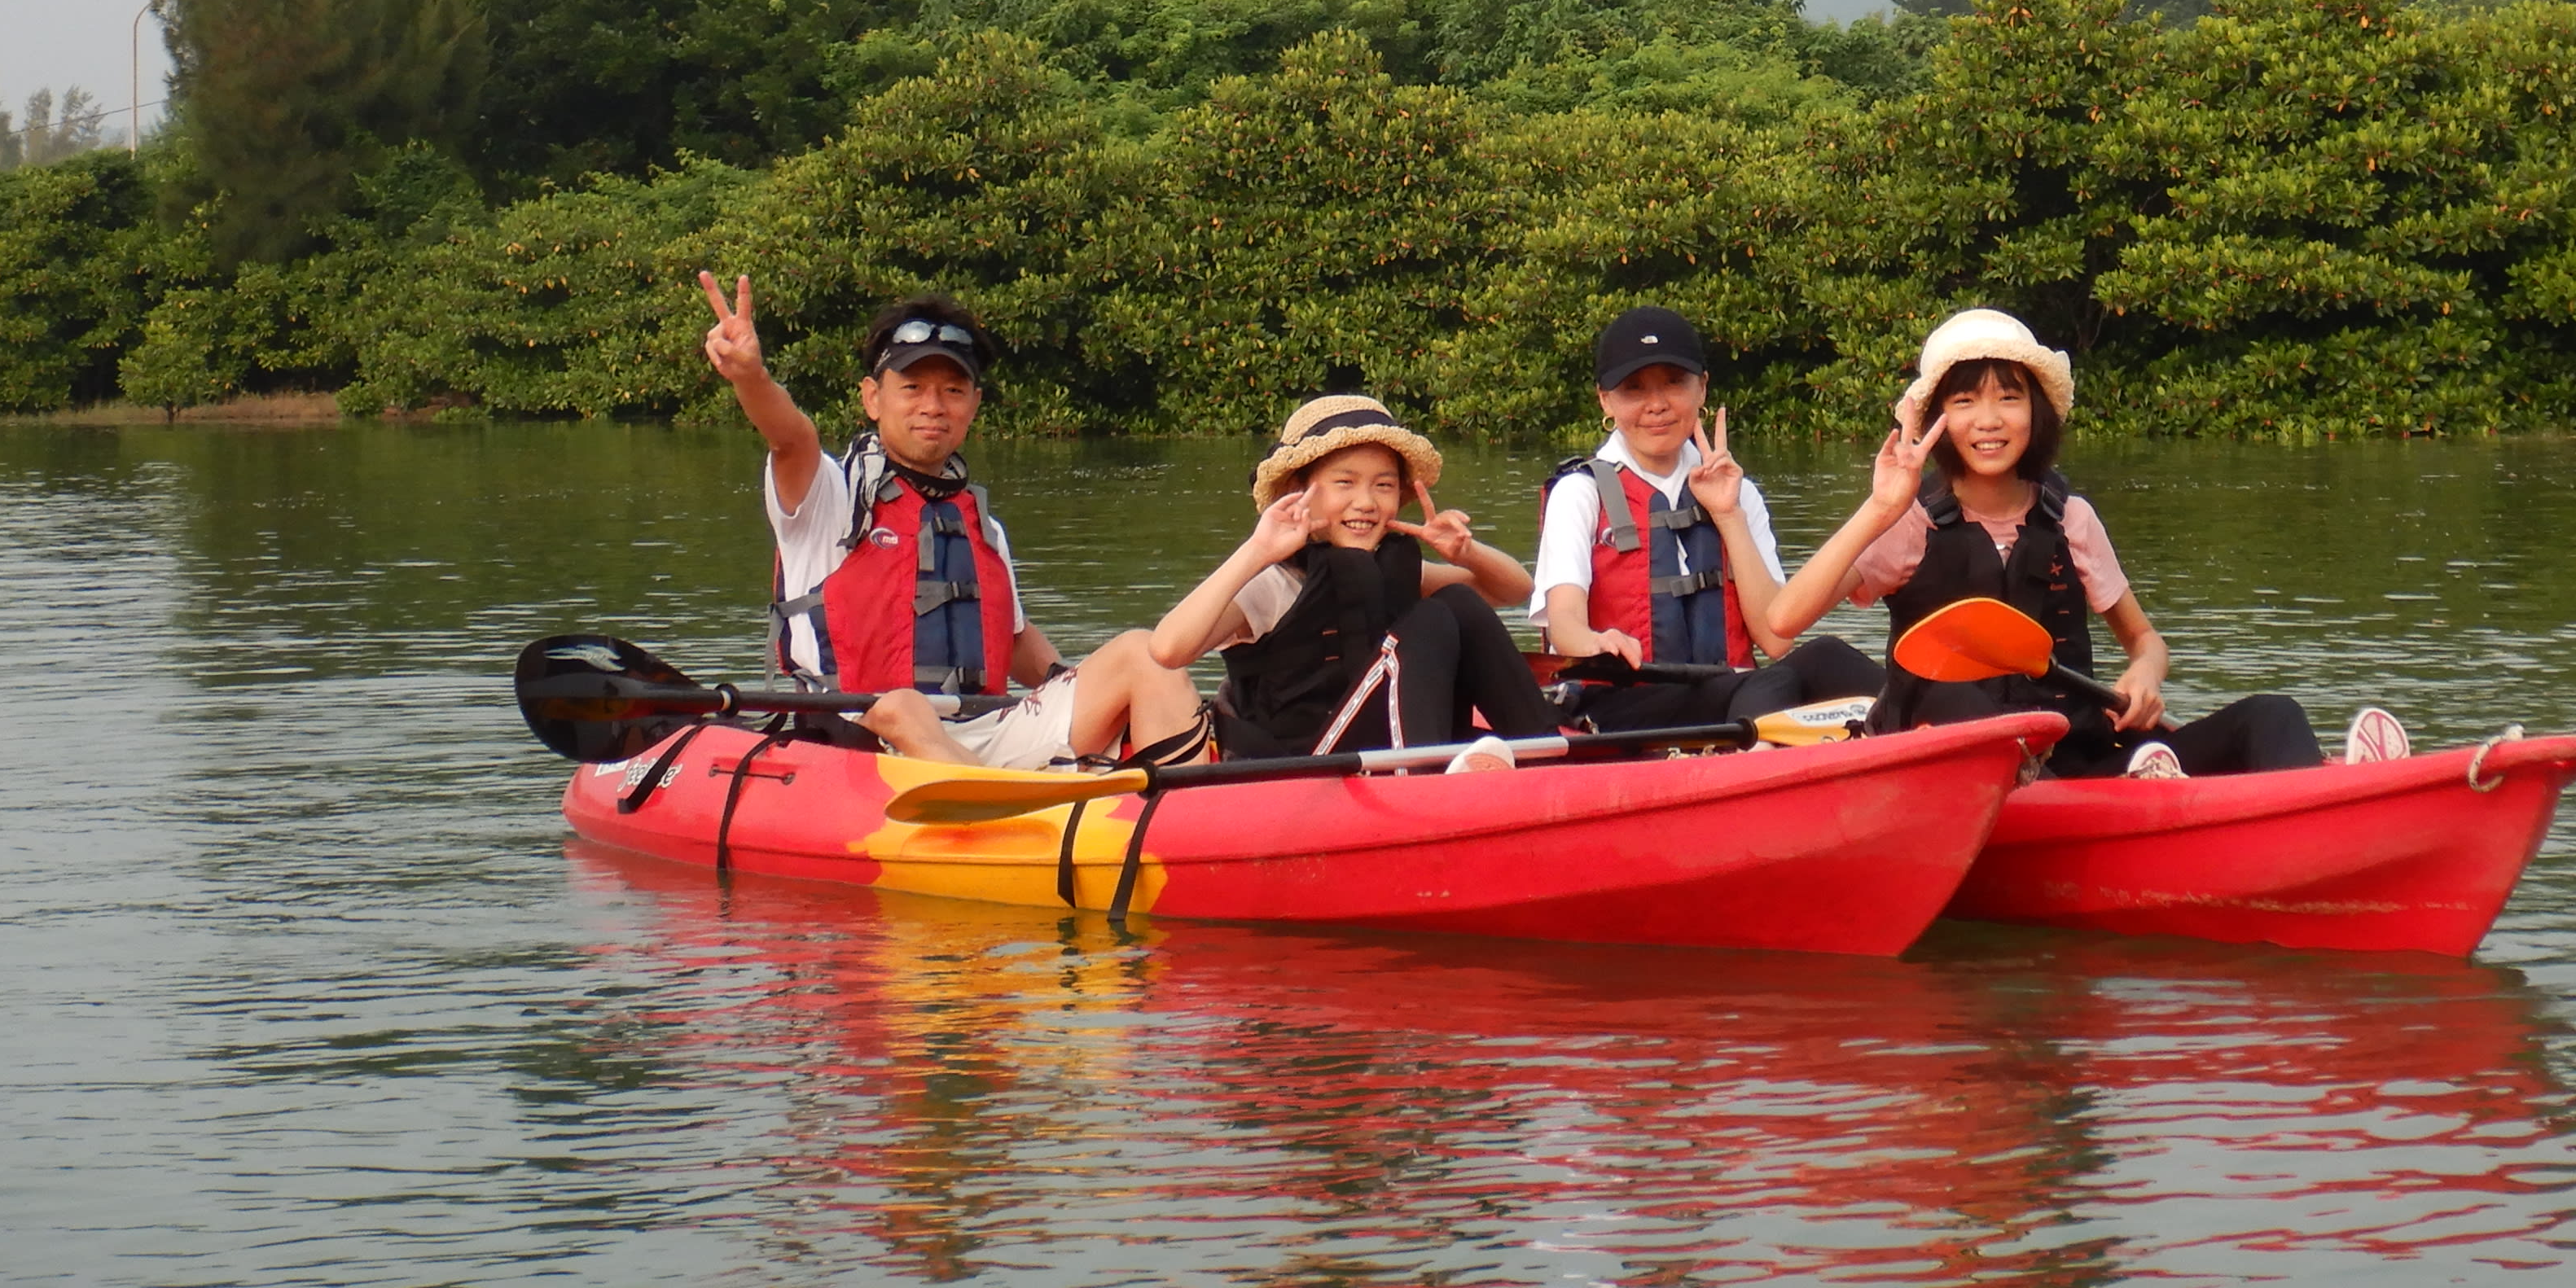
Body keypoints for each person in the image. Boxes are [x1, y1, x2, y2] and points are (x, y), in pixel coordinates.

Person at [1767, 308, 2378, 781]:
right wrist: (1880, 507)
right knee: (1962, 704)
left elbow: (2144, 639)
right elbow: (1782, 623)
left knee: (2272, 713)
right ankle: (2129, 791)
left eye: (2009, 397)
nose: (1989, 419)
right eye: (1964, 401)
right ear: (1937, 423)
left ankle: (2319, 808)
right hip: (1946, 767)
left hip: (2074, 758)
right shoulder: (1906, 523)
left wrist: (2144, 674)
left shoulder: (2071, 520)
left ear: (2036, 412)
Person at [697, 274, 1201, 769]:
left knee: (1145, 655)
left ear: (974, 404)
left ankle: (1187, 826)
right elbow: (791, 439)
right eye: (912, 387)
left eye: (953, 391)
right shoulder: (828, 494)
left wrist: (1084, 689)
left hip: (990, 730)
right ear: (872, 397)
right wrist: (751, 377)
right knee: (902, 705)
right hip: (868, 738)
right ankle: (998, 811)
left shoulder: (981, 524)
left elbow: (1014, 639)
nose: (933, 407)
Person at [1153, 393, 1556, 769]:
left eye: (1383, 485)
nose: (1365, 502)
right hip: (1310, 764)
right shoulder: (1272, 584)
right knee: (1431, 620)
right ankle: (1421, 784)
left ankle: (1548, 754)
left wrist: (1466, 551)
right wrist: (1257, 550)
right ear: (1299, 491)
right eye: (1344, 483)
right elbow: (1168, 650)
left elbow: (1514, 590)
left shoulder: (1393, 570)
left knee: (1459, 603)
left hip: (1382, 747)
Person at [1531, 304, 1882, 733]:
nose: (1657, 405)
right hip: (1624, 699)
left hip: (1728, 688)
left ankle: (1932, 734)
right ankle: (1762, 769)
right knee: (1775, 682)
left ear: (1702, 388)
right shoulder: (1580, 492)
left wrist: (1727, 514)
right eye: (1634, 388)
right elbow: (1565, 624)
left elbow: (1775, 637)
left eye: (1675, 383)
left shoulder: (1740, 493)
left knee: (1825, 656)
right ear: (1605, 400)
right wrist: (1596, 643)